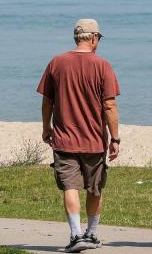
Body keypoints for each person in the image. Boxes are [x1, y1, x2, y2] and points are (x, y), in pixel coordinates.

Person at [37, 18, 120, 253]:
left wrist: (46, 127)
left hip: (64, 139)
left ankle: (76, 234)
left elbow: (47, 102)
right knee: (95, 188)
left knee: (70, 186)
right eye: (99, 38)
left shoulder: (57, 63)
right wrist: (115, 138)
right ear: (94, 38)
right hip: (94, 140)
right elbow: (109, 105)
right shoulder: (103, 65)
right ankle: (91, 234)